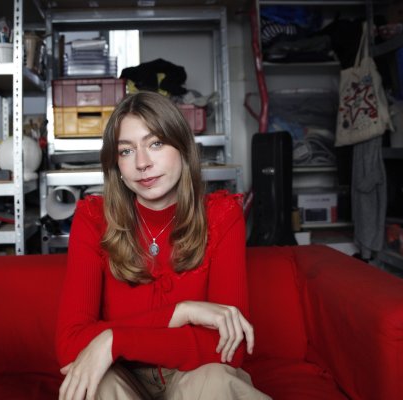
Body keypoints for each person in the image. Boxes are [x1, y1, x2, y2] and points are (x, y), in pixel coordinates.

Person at [56, 91, 271, 400]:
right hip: (120, 374)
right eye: (126, 151)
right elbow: (69, 345)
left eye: (155, 144)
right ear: (116, 164)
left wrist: (114, 340)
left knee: (215, 381)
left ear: (183, 148)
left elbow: (229, 348)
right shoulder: (93, 218)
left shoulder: (222, 216)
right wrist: (181, 313)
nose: (142, 163)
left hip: (193, 375)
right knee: (95, 385)